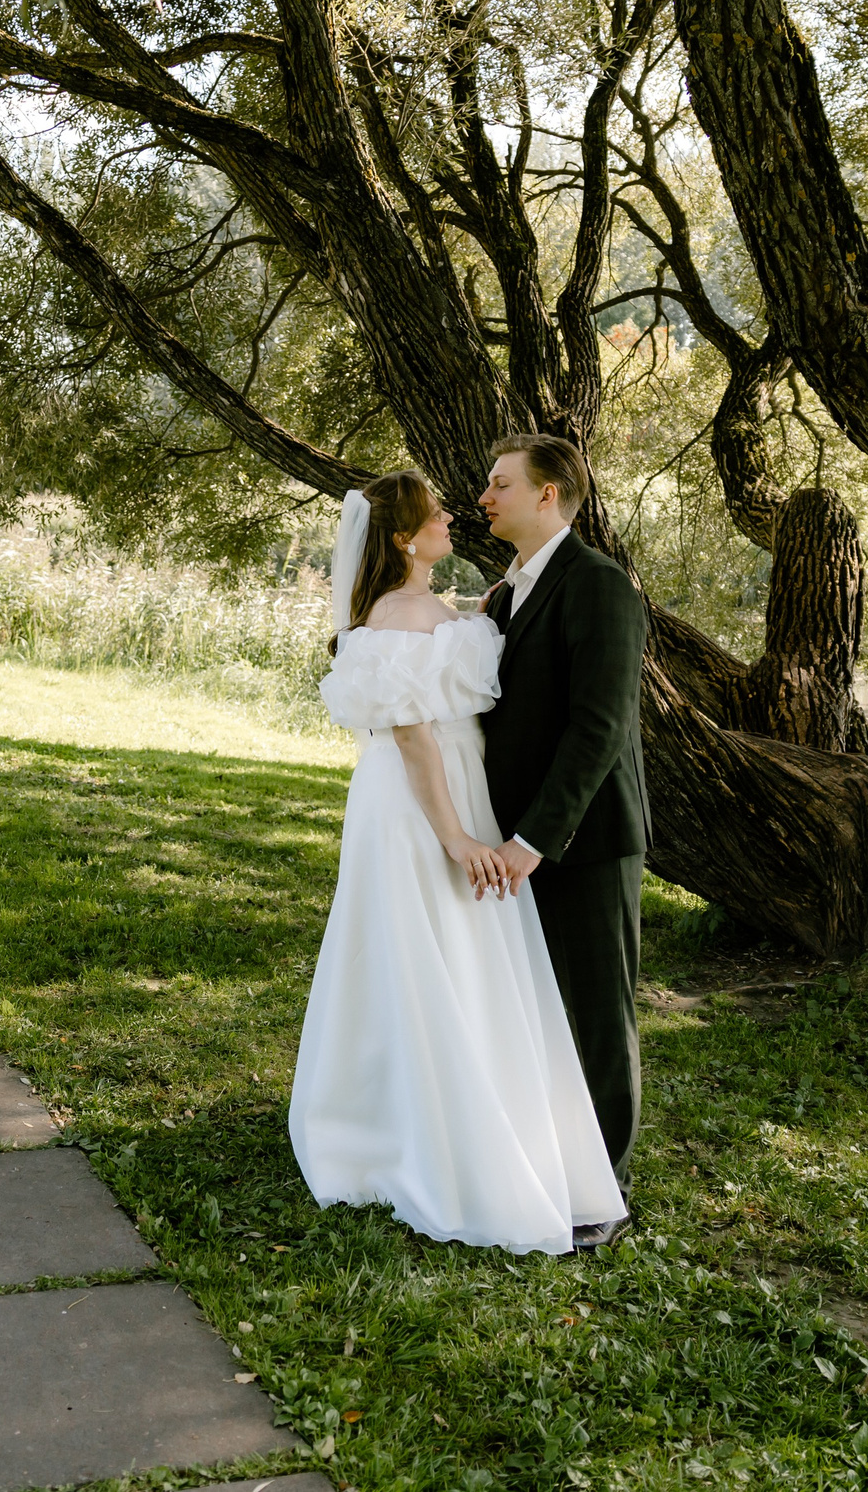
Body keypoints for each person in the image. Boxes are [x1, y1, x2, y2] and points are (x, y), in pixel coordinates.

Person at [288, 469, 623, 1256]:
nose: (451, 514)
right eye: (435, 510)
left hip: (460, 792)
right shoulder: (396, 614)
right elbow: (413, 738)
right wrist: (458, 839)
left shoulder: (439, 604)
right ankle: (420, 1129)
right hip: (421, 807)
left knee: (468, 961)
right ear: (405, 536)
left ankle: (478, 1110)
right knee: (425, 956)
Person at [476, 434, 650, 1250]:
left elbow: (600, 727)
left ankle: (603, 1189)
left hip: (582, 841)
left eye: (500, 482)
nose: (484, 494)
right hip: (516, 847)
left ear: (549, 495)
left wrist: (536, 838)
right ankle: (550, 1160)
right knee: (539, 1010)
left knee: (596, 1013)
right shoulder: (506, 593)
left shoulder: (599, 586)